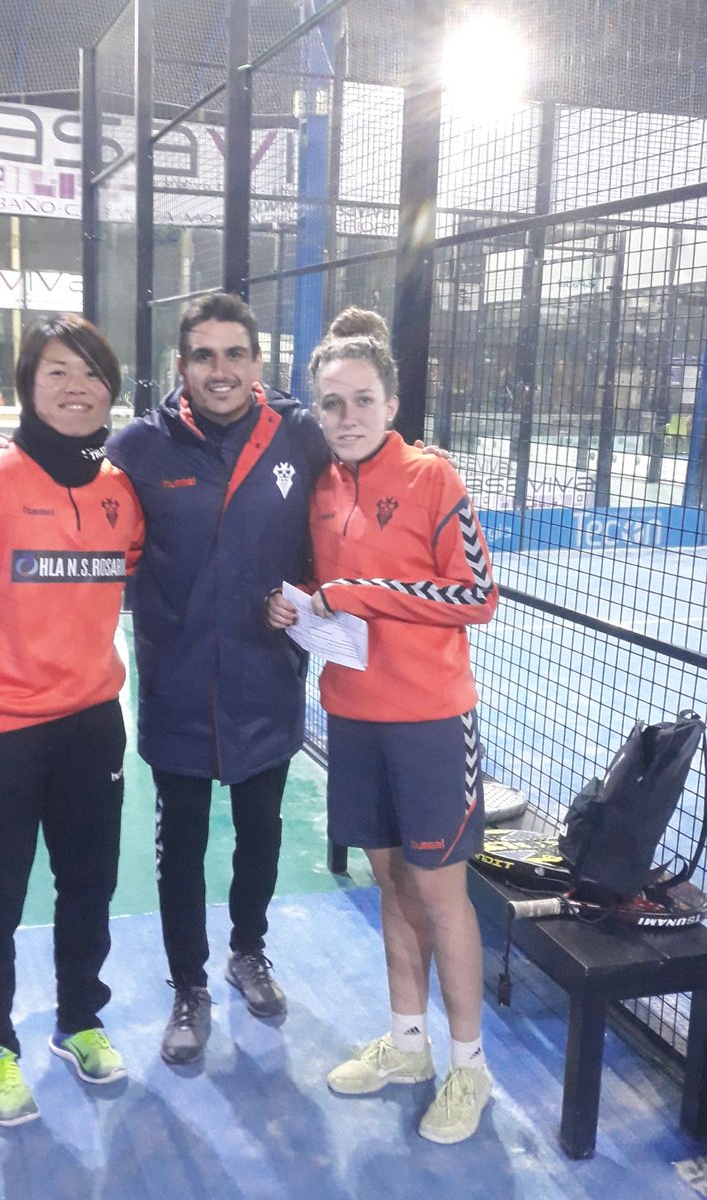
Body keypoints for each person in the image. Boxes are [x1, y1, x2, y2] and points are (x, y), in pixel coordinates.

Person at [267, 309, 499, 1145]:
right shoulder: (321, 489)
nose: (348, 416)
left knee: (442, 896)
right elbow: (320, 596)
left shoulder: (434, 478)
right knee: (393, 887)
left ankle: (470, 1066)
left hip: (431, 723)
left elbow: (475, 594)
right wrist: (292, 607)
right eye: (331, 404)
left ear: (391, 403)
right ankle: (409, 1044)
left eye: (362, 399)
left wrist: (356, 593)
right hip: (353, 721)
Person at [0, 314, 144, 1128]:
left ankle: (78, 1020)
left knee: (90, 885)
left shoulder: (120, 492)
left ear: (110, 386)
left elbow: (140, 571)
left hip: (91, 725)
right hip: (1, 732)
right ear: (29, 386)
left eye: (89, 372)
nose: (75, 387)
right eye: (56, 372)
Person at [106, 291, 330, 1065]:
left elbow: (350, 508)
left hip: (267, 680)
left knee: (261, 834)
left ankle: (248, 950)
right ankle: (187, 987)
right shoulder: (139, 448)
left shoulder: (299, 436)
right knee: (182, 847)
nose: (221, 369)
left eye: (236, 353)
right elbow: (79, 510)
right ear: (181, 365)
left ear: (258, 363)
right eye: (204, 355)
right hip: (176, 685)